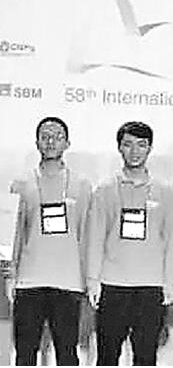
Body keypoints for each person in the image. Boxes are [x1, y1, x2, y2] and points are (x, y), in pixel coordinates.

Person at [87, 121, 173, 365]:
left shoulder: (165, 192)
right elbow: (95, 237)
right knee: (107, 356)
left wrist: (169, 282)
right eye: (128, 144)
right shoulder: (105, 190)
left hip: (151, 286)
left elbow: (172, 240)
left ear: (150, 149)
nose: (134, 151)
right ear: (119, 148)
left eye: (141, 145)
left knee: (146, 357)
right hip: (112, 284)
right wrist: (93, 280)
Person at [8, 117, 92, 365]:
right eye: (45, 137)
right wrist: (10, 275)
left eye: (57, 137)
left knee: (67, 353)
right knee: (25, 352)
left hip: (68, 281)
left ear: (67, 143)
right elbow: (14, 234)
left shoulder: (82, 185)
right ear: (37, 143)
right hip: (29, 281)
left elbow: (86, 234)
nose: (51, 142)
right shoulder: (21, 183)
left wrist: (89, 278)